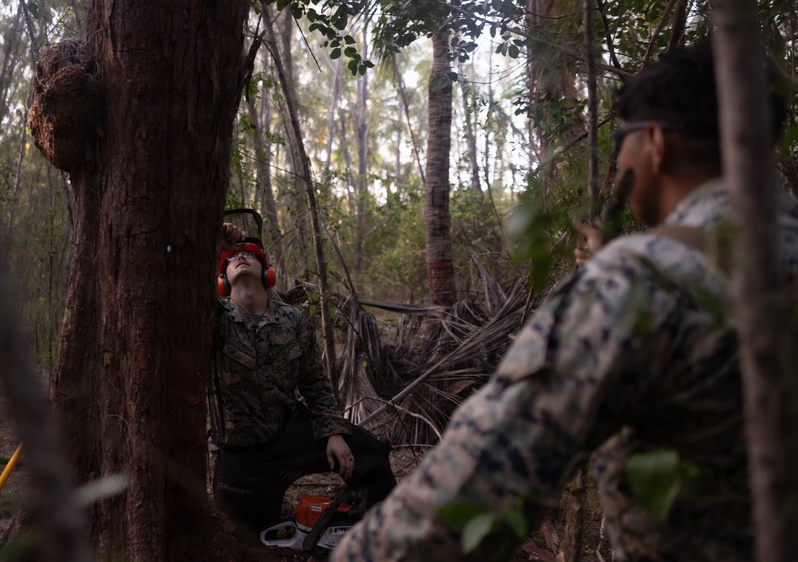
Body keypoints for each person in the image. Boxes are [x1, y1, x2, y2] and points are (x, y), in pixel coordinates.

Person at [333, 42, 798, 561]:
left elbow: (488, 473)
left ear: (656, 143)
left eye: (623, 138)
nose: (619, 157)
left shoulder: (640, 280)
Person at [210, 222, 397, 541]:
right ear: (221, 279)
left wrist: (334, 432)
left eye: (249, 255)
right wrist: (215, 245)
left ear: (267, 271)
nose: (240, 259)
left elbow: (315, 384)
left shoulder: (292, 320)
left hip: (290, 434)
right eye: (231, 259)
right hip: (240, 452)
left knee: (371, 452)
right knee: (251, 539)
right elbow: (184, 287)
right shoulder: (214, 318)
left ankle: (388, 532)